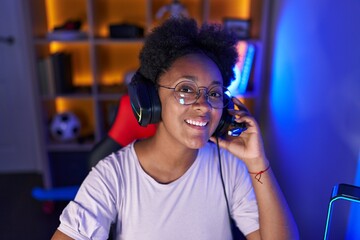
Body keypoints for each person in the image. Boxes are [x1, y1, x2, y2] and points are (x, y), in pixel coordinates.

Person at [52, 17, 299, 240]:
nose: (203, 106)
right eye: (186, 89)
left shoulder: (229, 167)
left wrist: (258, 163)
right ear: (152, 98)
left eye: (213, 93)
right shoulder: (112, 176)